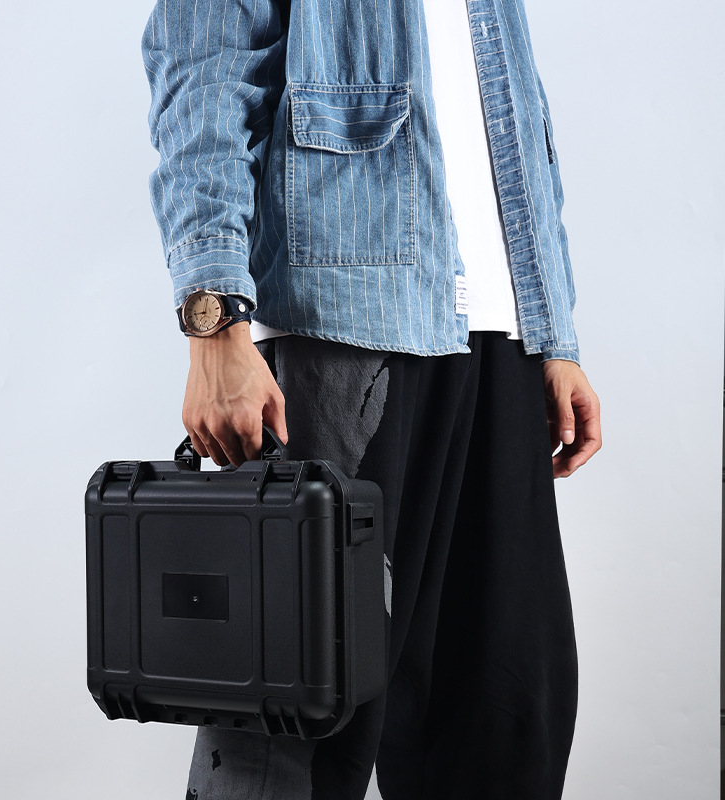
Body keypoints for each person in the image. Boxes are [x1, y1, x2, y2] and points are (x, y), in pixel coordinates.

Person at [141, 0, 601, 797]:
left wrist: (553, 333)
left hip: (504, 344)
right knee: (300, 722)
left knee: (504, 719)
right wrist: (214, 319)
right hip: (344, 326)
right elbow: (205, 71)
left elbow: (514, 111)